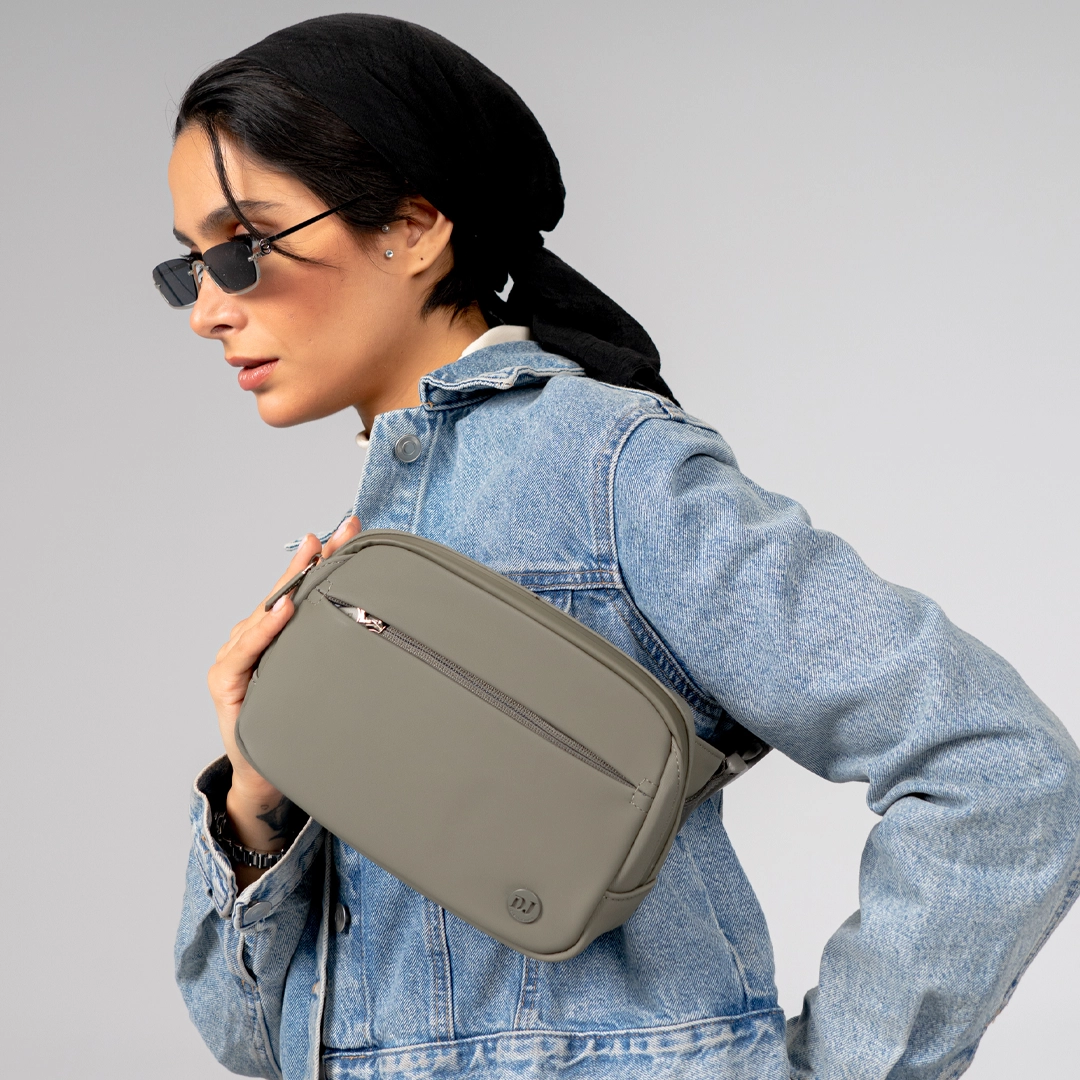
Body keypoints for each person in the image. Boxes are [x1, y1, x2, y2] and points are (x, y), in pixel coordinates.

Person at [167, 14, 1080, 1080]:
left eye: (242, 246)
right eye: (188, 267)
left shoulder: (608, 469)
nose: (205, 312)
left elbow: (1001, 772)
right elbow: (256, 1046)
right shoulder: (367, 546)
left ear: (412, 227)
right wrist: (254, 800)